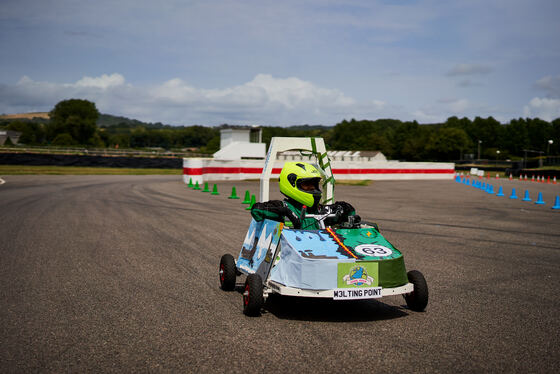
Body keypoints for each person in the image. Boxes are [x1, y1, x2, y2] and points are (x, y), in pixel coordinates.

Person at [250, 162, 359, 229]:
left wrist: (342, 208)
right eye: (307, 184)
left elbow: (350, 212)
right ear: (291, 184)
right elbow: (257, 210)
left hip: (318, 256)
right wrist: (285, 211)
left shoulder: (320, 211)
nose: (312, 188)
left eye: (314, 184)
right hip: (287, 258)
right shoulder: (283, 206)